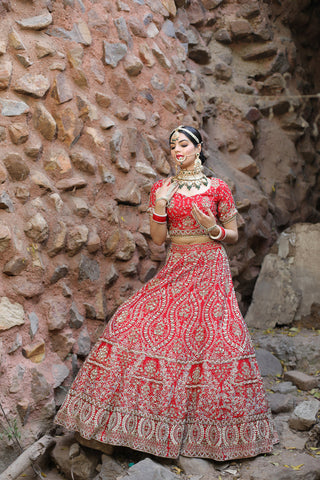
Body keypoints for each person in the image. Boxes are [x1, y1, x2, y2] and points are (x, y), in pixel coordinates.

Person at [55, 125, 278, 461]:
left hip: (210, 267)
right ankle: (126, 426)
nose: (177, 149)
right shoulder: (162, 187)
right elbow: (158, 239)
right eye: (173, 144)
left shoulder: (218, 188)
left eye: (184, 144)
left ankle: (216, 438)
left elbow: (232, 233)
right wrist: (160, 205)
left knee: (211, 340)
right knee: (129, 323)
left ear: (198, 147)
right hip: (177, 264)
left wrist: (213, 228)